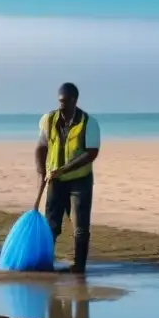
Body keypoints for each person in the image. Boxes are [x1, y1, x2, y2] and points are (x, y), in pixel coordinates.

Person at [35, 82, 101, 274]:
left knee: (80, 225)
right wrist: (41, 171)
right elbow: (41, 146)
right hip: (55, 179)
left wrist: (64, 169)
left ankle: (79, 267)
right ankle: (46, 263)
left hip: (80, 181)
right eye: (59, 101)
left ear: (74, 100)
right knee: (51, 224)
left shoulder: (88, 123)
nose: (61, 105)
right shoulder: (49, 120)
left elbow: (91, 154)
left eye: (65, 101)